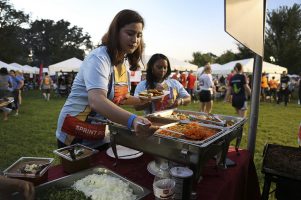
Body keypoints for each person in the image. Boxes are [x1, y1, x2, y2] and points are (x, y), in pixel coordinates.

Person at [56, 9, 153, 149]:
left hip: (100, 132)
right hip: (75, 130)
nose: (135, 40)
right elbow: (97, 101)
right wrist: (133, 120)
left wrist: (143, 100)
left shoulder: (122, 62)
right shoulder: (99, 58)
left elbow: (121, 97)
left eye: (139, 35)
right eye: (130, 33)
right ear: (116, 32)